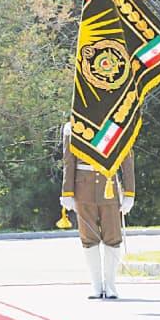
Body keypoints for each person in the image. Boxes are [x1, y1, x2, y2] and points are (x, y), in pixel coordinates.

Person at [60, 121, 135, 300]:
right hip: (83, 188)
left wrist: (129, 192)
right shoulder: (74, 126)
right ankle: (96, 284)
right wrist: (67, 192)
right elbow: (69, 161)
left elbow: (126, 161)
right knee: (88, 237)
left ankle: (110, 284)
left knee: (112, 235)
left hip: (109, 187)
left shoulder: (115, 125)